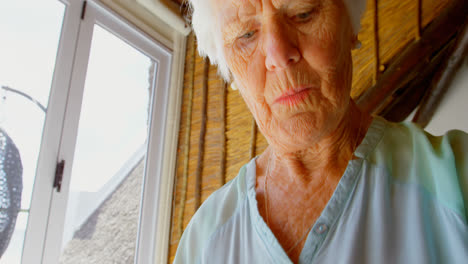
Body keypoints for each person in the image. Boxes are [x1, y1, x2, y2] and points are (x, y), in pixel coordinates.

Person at [174, 0, 468, 263]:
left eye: (303, 13)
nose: (278, 53)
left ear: (350, 26)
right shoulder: (203, 242)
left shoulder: (455, 176)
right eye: (246, 35)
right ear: (230, 71)